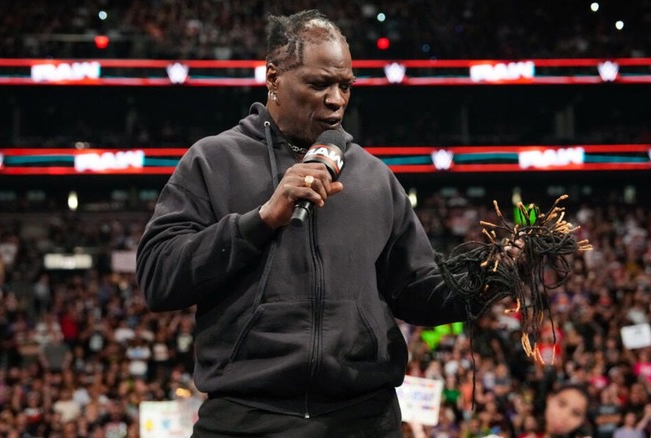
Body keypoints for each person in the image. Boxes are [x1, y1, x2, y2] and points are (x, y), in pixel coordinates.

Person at [136, 9, 512, 437]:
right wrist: (260, 220)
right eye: (319, 84)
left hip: (363, 420)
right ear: (273, 77)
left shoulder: (373, 176)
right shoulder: (213, 161)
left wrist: (495, 274)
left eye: (345, 85)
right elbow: (158, 279)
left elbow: (417, 293)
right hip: (246, 419)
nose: (336, 100)